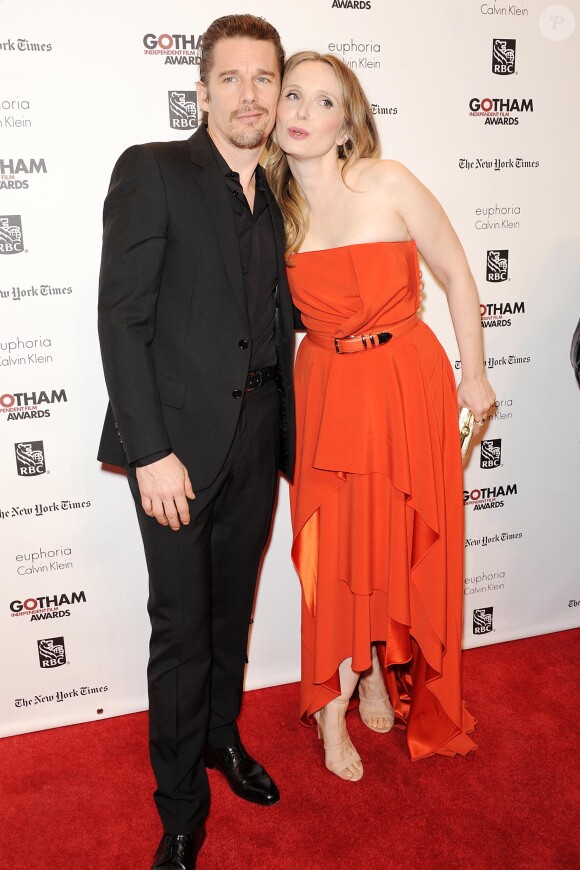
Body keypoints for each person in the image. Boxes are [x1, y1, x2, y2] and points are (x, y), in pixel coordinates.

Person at [97, 15, 296, 869]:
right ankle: (180, 808)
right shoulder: (155, 171)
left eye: (265, 79)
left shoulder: (286, 193)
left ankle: (221, 740)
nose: (249, 95)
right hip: (175, 449)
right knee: (182, 629)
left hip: (258, 439)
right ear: (203, 89)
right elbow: (122, 318)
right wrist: (149, 452)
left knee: (232, 613)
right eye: (232, 78)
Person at [266, 51, 496, 781]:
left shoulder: (387, 182)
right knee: (334, 555)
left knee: (394, 541)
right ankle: (332, 707)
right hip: (328, 389)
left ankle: (376, 669)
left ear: (346, 124)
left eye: (322, 102)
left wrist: (477, 373)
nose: (302, 112)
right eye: (291, 96)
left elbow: (458, 273)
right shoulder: (269, 209)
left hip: (406, 383)